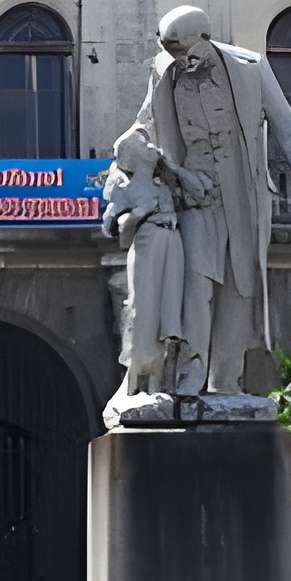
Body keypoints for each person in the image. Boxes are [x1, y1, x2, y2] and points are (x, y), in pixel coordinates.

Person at [124, 5, 291, 398]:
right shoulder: (164, 72)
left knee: (239, 284)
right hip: (196, 192)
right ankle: (191, 373)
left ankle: (225, 379)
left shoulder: (250, 67)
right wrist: (131, 152)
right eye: (173, 54)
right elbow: (145, 123)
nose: (181, 62)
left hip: (244, 190)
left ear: (207, 39)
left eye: (186, 53)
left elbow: (284, 117)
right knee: (196, 283)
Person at [100, 123, 210, 401]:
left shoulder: (165, 184)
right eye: (144, 143)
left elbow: (199, 193)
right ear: (133, 154)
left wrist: (174, 168)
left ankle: (160, 384)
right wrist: (139, 213)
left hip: (172, 241)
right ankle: (135, 380)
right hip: (147, 241)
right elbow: (112, 225)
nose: (152, 146)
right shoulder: (126, 186)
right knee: (143, 308)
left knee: (170, 311)